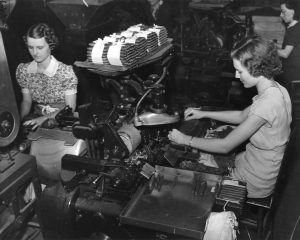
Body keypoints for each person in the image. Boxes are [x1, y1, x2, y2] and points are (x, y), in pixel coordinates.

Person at [168, 36, 292, 198]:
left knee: (184, 184)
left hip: (256, 181)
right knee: (210, 158)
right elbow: (241, 116)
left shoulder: (267, 104)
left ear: (256, 68)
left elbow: (225, 146)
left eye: (240, 71)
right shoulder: (277, 90)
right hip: (257, 162)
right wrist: (203, 113)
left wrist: (184, 139)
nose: (236, 76)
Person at [16, 23, 78, 129]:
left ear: (51, 45)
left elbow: (70, 108)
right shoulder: (24, 71)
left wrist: (43, 119)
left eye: (40, 47)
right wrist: (18, 126)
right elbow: (26, 101)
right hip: (37, 116)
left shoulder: (65, 73)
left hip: (61, 118)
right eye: (30, 47)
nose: (35, 52)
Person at [277, 0, 300, 90]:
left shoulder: (294, 29)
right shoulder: (295, 27)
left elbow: (285, 53)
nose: (281, 15)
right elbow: (291, 47)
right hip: (292, 69)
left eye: (283, 11)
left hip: (294, 72)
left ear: (293, 12)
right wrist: (275, 45)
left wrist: (268, 48)